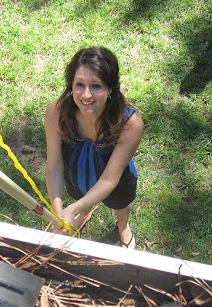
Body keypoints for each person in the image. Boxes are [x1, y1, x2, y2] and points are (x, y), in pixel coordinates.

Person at [44, 47, 143, 249]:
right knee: (80, 199)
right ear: (70, 85)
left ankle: (123, 227)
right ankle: (82, 209)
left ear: (111, 89)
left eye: (96, 86)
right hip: (76, 177)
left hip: (115, 182)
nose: (86, 95)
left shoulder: (130, 124)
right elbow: (54, 166)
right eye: (79, 84)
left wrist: (73, 209)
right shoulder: (57, 111)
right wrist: (60, 212)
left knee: (121, 205)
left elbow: (109, 179)